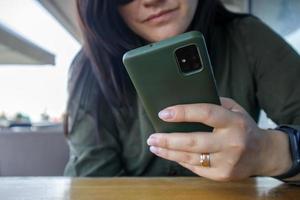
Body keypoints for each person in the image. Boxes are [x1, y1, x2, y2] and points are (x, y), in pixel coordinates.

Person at [64, 0, 300, 182]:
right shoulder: (90, 67)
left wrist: (269, 152)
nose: (151, 1)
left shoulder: (249, 37)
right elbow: (92, 180)